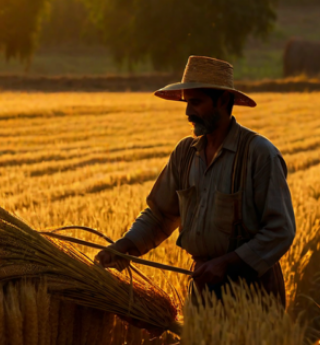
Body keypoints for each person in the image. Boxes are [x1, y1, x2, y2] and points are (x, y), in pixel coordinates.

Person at [96, 56, 296, 308]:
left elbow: (280, 230)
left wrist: (226, 263)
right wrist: (125, 246)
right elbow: (160, 215)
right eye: (187, 102)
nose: (188, 112)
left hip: (253, 291)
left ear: (223, 101)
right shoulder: (185, 153)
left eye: (196, 102)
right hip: (202, 286)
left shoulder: (259, 154)